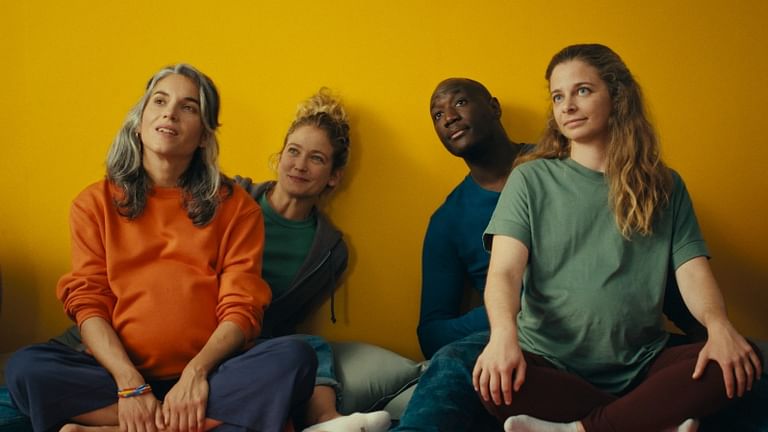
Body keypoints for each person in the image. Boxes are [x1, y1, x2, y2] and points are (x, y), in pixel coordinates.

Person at [4, 64, 317, 432]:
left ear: (204, 136)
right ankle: (181, 423)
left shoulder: (237, 208)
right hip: (116, 378)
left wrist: (196, 374)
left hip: (210, 376)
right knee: (25, 368)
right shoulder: (93, 204)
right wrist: (130, 384)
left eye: (188, 107)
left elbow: (242, 307)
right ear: (139, 122)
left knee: (295, 358)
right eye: (160, 101)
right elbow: (89, 303)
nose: (170, 113)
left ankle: (120, 428)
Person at [473, 43, 762, 432]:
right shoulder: (530, 179)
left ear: (618, 97)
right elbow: (505, 272)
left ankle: (582, 428)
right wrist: (502, 337)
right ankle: (649, 418)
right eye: (558, 96)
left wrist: (720, 325)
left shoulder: (666, 185)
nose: (567, 106)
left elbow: (693, 270)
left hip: (643, 363)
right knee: (495, 386)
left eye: (582, 90)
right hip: (550, 361)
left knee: (739, 362)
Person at [234, 88, 391, 432]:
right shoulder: (233, 197)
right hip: (201, 326)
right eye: (293, 151)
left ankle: (326, 421)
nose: (300, 165)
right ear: (280, 156)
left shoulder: (331, 252)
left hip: (254, 344)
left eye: (316, 158)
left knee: (310, 347)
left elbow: (287, 320)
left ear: (333, 176)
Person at [394, 78, 531, 431]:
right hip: (507, 341)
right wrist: (501, 314)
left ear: (494, 107)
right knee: (453, 365)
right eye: (437, 115)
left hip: (585, 323)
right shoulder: (448, 220)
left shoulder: (557, 163)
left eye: (459, 103)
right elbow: (431, 332)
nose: (449, 118)